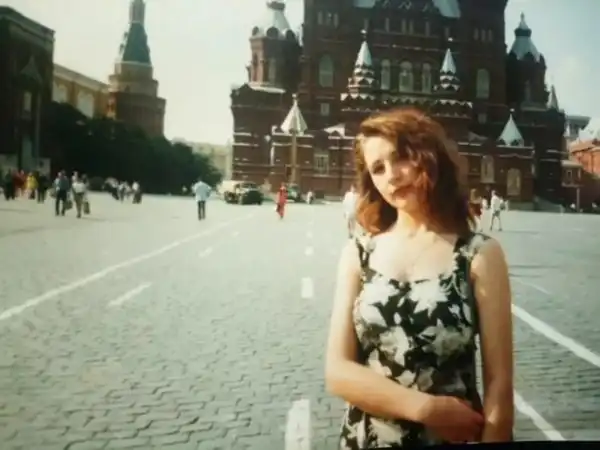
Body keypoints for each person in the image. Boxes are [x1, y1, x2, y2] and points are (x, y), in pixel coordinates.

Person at [325, 108, 514, 448]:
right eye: (378, 168)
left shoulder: (478, 255)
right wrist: (425, 409)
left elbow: (499, 385)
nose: (392, 176)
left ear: (429, 155)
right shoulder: (359, 253)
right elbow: (337, 371)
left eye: (400, 158)